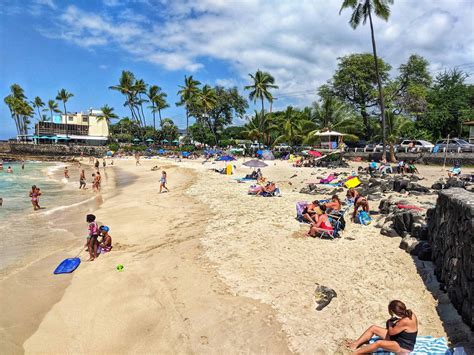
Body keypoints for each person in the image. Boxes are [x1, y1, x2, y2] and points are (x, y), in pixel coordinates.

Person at [349, 300, 418, 353]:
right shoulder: (411, 314)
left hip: (403, 346)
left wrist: (390, 323)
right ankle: (355, 344)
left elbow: (391, 332)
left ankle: (356, 353)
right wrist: (397, 321)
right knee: (373, 328)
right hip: (398, 338)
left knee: (379, 343)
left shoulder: (404, 321)